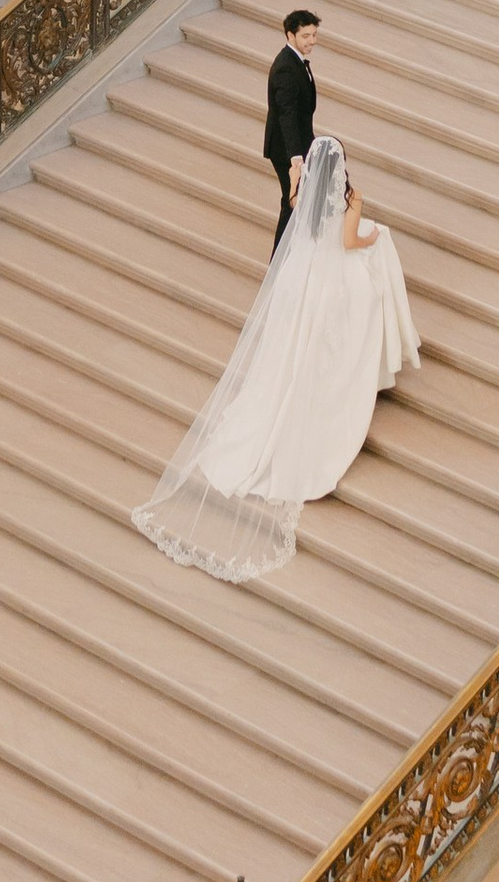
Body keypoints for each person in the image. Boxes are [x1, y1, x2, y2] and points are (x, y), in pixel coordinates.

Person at [134, 133, 420, 583]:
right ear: (341, 167)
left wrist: (295, 177)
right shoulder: (353, 199)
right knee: (364, 296)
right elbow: (348, 242)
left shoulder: (300, 189)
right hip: (330, 281)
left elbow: (297, 211)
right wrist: (373, 237)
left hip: (299, 278)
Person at [263, 7, 319, 252]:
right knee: (291, 202)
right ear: (290, 35)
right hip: (287, 149)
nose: (312, 41)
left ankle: (296, 251)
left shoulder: (295, 61)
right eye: (306, 36)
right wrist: (295, 158)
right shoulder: (286, 67)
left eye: (314, 35)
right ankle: (279, 260)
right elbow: (286, 114)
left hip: (298, 142)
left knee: (299, 200)